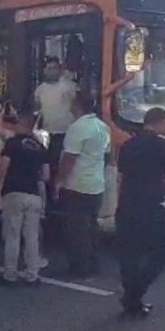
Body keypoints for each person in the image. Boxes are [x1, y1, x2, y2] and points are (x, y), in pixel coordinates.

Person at [117, 107, 165, 317]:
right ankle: (134, 293)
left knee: (130, 254)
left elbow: (121, 178)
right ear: (161, 122)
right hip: (152, 207)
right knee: (164, 251)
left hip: (127, 205)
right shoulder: (164, 144)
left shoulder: (127, 145)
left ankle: (132, 301)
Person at [54, 92, 110, 278]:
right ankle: (93, 264)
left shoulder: (77, 128)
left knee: (77, 230)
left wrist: (59, 181)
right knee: (91, 227)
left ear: (78, 106)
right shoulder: (102, 127)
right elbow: (108, 153)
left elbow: (69, 158)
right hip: (96, 184)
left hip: (78, 185)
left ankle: (79, 268)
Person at [0, 111, 49, 286]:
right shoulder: (40, 147)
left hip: (14, 193)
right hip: (34, 195)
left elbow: (3, 168)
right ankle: (32, 275)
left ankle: (10, 275)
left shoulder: (12, 144)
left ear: (21, 124)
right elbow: (45, 176)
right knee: (32, 237)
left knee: (12, 236)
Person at [34, 57, 77, 174]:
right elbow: (37, 109)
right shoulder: (40, 90)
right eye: (48, 68)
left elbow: (77, 106)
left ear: (59, 70)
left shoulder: (69, 86)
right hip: (46, 135)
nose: (51, 71)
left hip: (65, 133)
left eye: (54, 68)